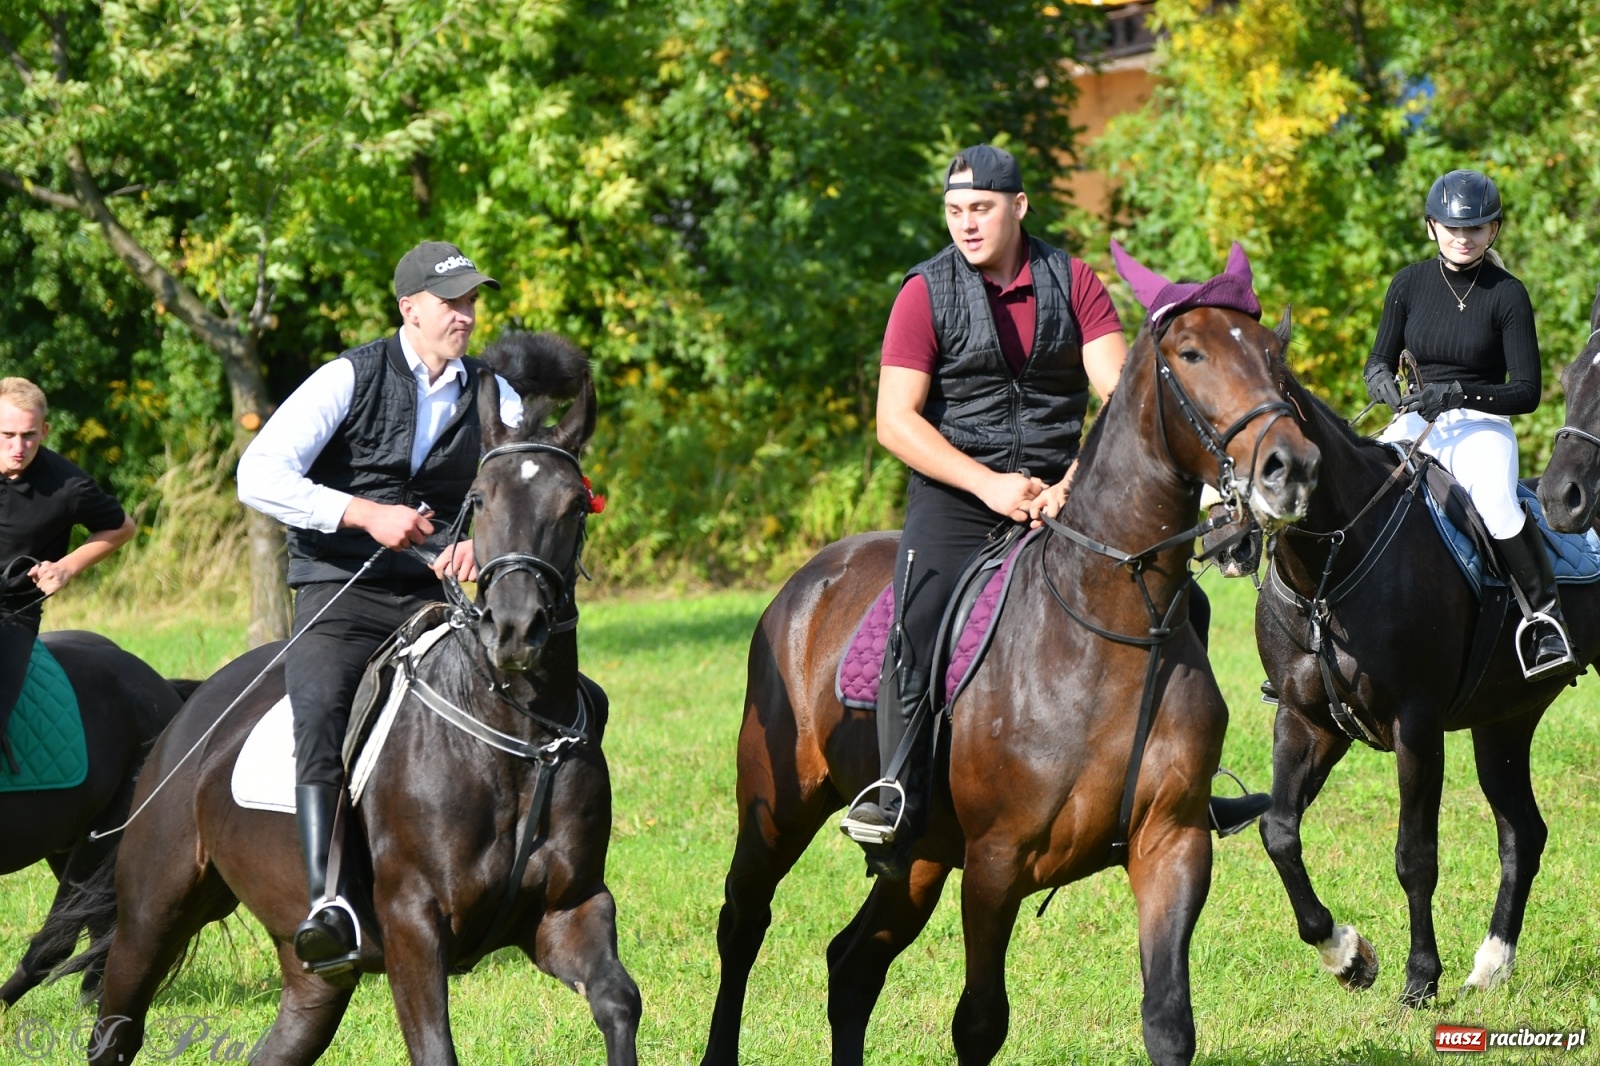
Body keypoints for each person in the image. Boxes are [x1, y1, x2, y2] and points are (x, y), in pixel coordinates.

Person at [839, 145, 1268, 879]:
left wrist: (1071, 479)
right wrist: (989, 486)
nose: (965, 224)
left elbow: (1117, 392)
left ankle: (1187, 790)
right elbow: (895, 422)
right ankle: (898, 793)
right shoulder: (923, 292)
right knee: (917, 620)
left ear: (1019, 206)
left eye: (980, 209)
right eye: (954, 211)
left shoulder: (1073, 282)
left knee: (1184, 604)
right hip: (957, 497)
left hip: (1064, 496)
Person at [237, 241, 524, 974]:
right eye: (451, 301)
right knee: (324, 709)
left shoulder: (499, 393)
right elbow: (258, 474)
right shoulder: (346, 377)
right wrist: (363, 513)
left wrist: (479, 549)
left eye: (470, 301)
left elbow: (518, 496)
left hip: (437, 593)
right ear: (410, 307)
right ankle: (327, 901)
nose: (464, 314)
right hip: (340, 587)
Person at [1364, 169, 1573, 680]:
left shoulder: (1508, 294)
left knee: (1498, 507)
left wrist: (1459, 392)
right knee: (1359, 486)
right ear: (1431, 226)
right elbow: (1377, 361)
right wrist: (1381, 385)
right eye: (1454, 227)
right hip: (1414, 420)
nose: (1464, 237)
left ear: (1494, 230)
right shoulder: (1408, 283)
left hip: (1482, 426)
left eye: (1477, 228)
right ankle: (1321, 625)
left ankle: (1545, 620)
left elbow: (1527, 392)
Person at [0, 377, 135, 773]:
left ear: (44, 430)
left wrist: (67, 566)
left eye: (28, 436)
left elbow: (122, 527)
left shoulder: (68, 485)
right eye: (6, 435)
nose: (17, 448)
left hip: (10, 612)